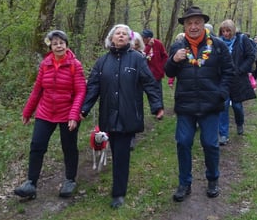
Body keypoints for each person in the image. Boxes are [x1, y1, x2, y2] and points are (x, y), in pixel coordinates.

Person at [81, 24, 164, 208]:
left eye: (124, 34)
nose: (121, 36)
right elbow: (93, 87)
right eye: (117, 33)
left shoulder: (137, 59)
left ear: (129, 39)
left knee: (121, 154)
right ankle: (118, 187)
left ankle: (118, 193)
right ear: (111, 38)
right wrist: (84, 109)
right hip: (109, 113)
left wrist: (157, 106)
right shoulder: (102, 62)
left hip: (128, 114)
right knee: (115, 150)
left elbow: (149, 83)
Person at [165, 6, 234, 202]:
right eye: (189, 23)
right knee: (183, 143)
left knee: (210, 144)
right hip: (185, 105)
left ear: (204, 24)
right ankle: (184, 183)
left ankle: (213, 179)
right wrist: (174, 60)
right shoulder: (178, 46)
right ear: (184, 26)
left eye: (197, 22)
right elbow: (168, 72)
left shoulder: (217, 46)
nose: (193, 26)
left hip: (210, 105)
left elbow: (229, 72)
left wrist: (221, 93)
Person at [14, 30, 87, 200]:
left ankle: (70, 180)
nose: (58, 46)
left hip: (67, 112)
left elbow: (81, 91)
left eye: (61, 43)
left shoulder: (75, 65)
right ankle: (31, 183)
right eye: (55, 44)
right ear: (51, 47)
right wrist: (27, 111)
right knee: (37, 145)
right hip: (45, 111)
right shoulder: (45, 64)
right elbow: (37, 90)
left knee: (69, 147)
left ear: (66, 45)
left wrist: (74, 115)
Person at [217, 20, 257, 145]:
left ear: (233, 30)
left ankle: (240, 123)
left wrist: (241, 69)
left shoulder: (242, 40)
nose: (225, 34)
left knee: (237, 106)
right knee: (223, 105)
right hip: (223, 79)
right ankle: (223, 134)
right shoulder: (218, 42)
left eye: (228, 31)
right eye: (223, 31)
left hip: (238, 79)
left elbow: (251, 56)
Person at [141, 29, 168, 95]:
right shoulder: (141, 45)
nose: (142, 38)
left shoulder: (158, 43)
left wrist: (162, 68)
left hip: (156, 74)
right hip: (145, 74)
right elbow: (142, 57)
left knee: (158, 94)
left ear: (149, 38)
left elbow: (165, 56)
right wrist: (149, 46)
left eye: (144, 37)